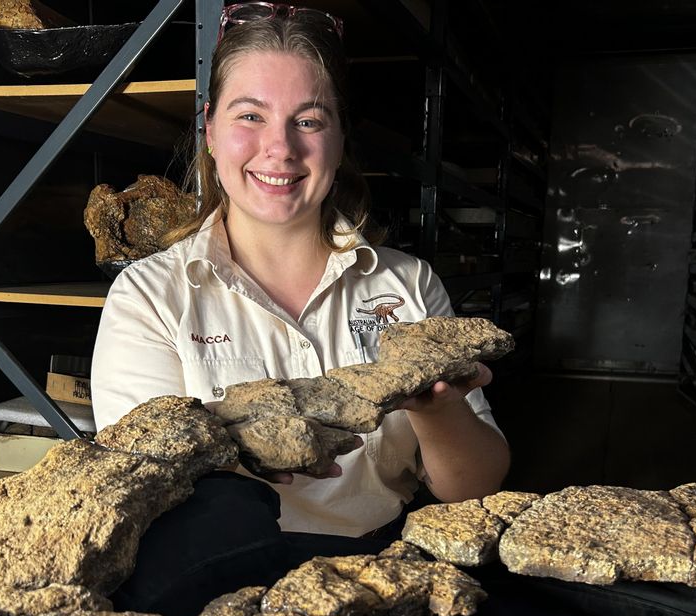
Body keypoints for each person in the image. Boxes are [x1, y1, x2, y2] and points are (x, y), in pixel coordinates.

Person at [91, 1, 509, 539]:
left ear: (338, 141)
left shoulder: (407, 285)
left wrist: (439, 410)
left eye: (308, 121)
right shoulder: (149, 296)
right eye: (250, 116)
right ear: (210, 130)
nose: (280, 148)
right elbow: (138, 487)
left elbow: (475, 490)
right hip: (213, 567)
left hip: (381, 565)